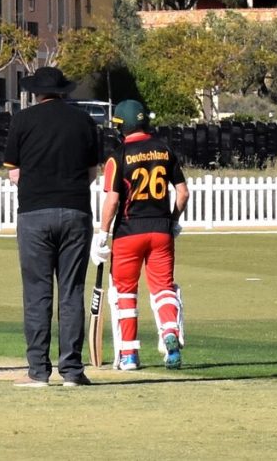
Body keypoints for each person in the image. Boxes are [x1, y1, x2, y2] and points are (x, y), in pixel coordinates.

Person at [3, 67, 100, 387]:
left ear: (36, 92)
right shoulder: (84, 121)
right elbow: (92, 173)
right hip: (75, 210)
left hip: (34, 213)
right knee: (71, 291)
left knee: (37, 293)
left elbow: (14, 174)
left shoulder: (22, 120)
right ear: (63, 91)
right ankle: (72, 370)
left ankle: (38, 371)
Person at [95, 99, 189, 371]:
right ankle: (170, 332)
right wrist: (173, 221)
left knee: (125, 293)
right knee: (163, 288)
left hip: (128, 232)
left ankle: (129, 355)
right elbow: (183, 193)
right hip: (161, 230)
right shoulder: (165, 150)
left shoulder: (118, 156)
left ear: (121, 127)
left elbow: (113, 200)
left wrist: (102, 234)